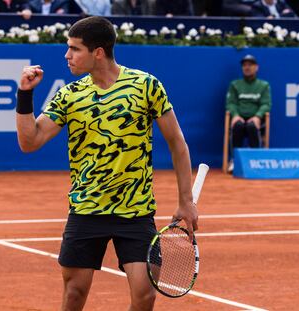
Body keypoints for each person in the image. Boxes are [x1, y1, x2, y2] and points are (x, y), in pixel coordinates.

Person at [16, 16, 198, 311]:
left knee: (145, 294)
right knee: (74, 294)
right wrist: (25, 94)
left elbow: (178, 143)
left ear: (98, 52)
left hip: (135, 211)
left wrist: (186, 201)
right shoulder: (70, 95)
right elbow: (30, 142)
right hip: (87, 210)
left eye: (75, 49)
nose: (67, 56)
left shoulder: (146, 86)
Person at [225, 54, 272, 172]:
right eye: (244, 65)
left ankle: (255, 161)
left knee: (252, 126)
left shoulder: (264, 85)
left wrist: (257, 116)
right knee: (238, 126)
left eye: (250, 65)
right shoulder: (235, 85)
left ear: (256, 67)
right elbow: (230, 103)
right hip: (239, 119)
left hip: (255, 121)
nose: (247, 67)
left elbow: (266, 104)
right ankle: (235, 161)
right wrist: (235, 115)